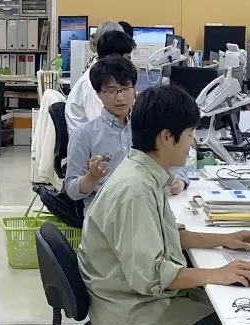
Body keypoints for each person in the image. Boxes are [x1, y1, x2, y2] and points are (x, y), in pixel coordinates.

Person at [78, 85, 250, 325]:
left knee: (235, 306)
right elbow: (152, 276)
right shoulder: (136, 191)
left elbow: (170, 234)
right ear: (167, 137)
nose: (192, 143)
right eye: (190, 135)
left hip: (138, 301)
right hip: (135, 317)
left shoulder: (144, 172)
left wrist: (224, 239)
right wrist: (217, 274)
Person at [65, 55, 190, 213]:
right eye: (111, 91)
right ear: (98, 94)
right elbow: (71, 190)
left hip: (147, 205)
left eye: (125, 89)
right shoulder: (84, 134)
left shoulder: (148, 126)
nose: (120, 97)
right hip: (106, 215)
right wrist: (92, 177)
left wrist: (179, 180)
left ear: (134, 88)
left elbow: (174, 161)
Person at [65, 27, 135, 134]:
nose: (130, 63)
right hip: (90, 143)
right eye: (127, 58)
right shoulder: (93, 84)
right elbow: (102, 126)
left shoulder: (105, 76)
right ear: (115, 58)